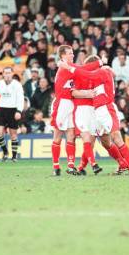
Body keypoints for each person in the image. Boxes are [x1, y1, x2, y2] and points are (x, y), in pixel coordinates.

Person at [59, 57, 129, 176]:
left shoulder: (102, 72)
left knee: (116, 137)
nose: (88, 70)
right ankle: (121, 164)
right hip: (98, 111)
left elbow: (85, 73)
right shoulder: (102, 73)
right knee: (98, 140)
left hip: (106, 108)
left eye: (89, 67)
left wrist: (69, 67)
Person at [49, 45, 100, 175]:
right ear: (63, 56)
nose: (73, 55)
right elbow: (84, 69)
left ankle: (70, 166)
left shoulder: (70, 68)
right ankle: (56, 166)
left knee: (71, 135)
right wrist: (99, 62)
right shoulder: (64, 68)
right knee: (58, 136)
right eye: (70, 53)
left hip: (71, 104)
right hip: (61, 104)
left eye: (72, 53)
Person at [0, 67, 25, 162]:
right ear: (3, 74)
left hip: (13, 110)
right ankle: (5, 152)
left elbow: (20, 99)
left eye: (9, 73)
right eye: (5, 73)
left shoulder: (17, 85)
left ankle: (14, 156)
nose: (7, 75)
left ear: (12, 74)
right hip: (1, 110)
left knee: (13, 135)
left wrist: (19, 111)